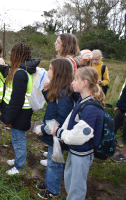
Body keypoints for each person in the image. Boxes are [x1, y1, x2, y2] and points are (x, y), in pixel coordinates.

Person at [52, 67, 104, 200]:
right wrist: (61, 132)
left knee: (77, 186)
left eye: (75, 80)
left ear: (84, 83)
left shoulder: (91, 108)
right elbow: (70, 119)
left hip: (82, 153)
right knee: (70, 180)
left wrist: (59, 132)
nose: (72, 83)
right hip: (75, 151)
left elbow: (78, 136)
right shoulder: (83, 101)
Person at [35, 58, 74, 199]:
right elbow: (53, 105)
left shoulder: (64, 93)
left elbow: (62, 117)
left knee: (55, 162)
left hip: (56, 134)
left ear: (59, 72)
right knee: (51, 160)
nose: (48, 71)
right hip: (53, 133)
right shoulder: (59, 90)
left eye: (51, 69)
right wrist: (46, 92)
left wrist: (45, 129)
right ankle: (48, 183)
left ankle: (53, 189)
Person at [0, 43, 38, 175]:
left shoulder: (21, 73)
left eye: (12, 52)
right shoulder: (19, 69)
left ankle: (19, 167)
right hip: (17, 111)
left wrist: (9, 118)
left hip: (20, 112)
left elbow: (17, 100)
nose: (10, 54)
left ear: (18, 55)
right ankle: (18, 159)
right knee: (16, 137)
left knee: (19, 139)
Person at [112, 81, 126, 162]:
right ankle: (108, 146)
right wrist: (118, 105)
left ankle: (123, 155)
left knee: (125, 133)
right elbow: (123, 94)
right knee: (112, 126)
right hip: (122, 109)